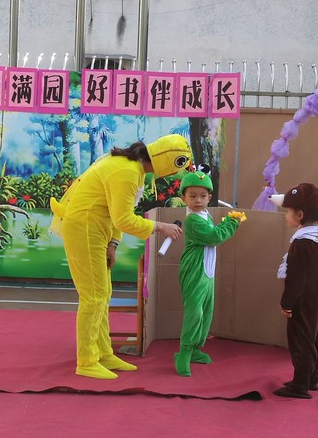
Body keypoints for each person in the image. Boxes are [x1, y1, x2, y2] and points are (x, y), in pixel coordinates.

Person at [50, 134, 192, 380]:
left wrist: (113, 244)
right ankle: (87, 360)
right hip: (85, 227)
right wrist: (160, 227)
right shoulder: (127, 172)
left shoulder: (132, 168)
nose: (173, 174)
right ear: (165, 160)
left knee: (102, 293)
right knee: (94, 297)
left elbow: (117, 211)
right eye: (176, 166)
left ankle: (103, 353)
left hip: (95, 227)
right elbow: (124, 219)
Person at [174, 171, 245, 377]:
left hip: (207, 269)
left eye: (203, 196)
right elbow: (214, 237)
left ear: (209, 197)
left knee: (206, 310)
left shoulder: (205, 215)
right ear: (183, 198)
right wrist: (232, 222)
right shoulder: (193, 220)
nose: (198, 200)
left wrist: (227, 220)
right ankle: (184, 352)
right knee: (195, 312)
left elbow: (213, 234)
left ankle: (196, 348)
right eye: (192, 196)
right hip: (195, 269)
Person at [269, 183, 318, 399]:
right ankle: (310, 378)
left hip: (303, 302)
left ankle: (300, 385)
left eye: (288, 211)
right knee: (314, 337)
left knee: (300, 341)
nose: (285, 215)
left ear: (300, 215)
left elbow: (296, 278)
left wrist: (287, 303)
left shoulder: (302, 243)